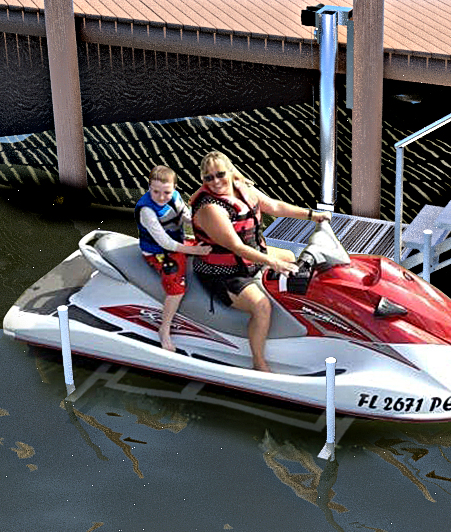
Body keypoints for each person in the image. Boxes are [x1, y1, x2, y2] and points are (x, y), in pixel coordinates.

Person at [190, 151, 331, 372]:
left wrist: (313, 215)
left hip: (250, 257)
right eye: (208, 178)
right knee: (261, 306)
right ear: (203, 181)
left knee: (290, 257)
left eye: (220, 174)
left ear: (230, 172)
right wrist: (273, 263)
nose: (216, 182)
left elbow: (274, 207)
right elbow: (237, 247)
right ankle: (259, 362)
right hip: (222, 271)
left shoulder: (243, 188)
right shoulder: (210, 209)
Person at [136, 165, 211, 352]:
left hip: (178, 242)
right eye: (156, 192)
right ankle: (164, 329)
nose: (161, 197)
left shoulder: (175, 198)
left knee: (215, 248)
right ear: (148, 188)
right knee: (176, 288)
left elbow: (187, 217)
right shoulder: (147, 210)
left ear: (175, 188)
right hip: (158, 252)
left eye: (166, 192)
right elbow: (165, 242)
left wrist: (209, 222)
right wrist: (194, 251)